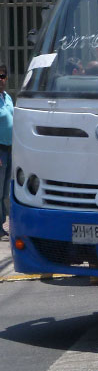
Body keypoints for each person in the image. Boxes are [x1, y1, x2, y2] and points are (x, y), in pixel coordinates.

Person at [0, 64, 13, 241]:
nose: (0, 80)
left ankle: (2, 223)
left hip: (10, 149)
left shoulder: (7, 97)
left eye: (2, 76)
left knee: (5, 191)